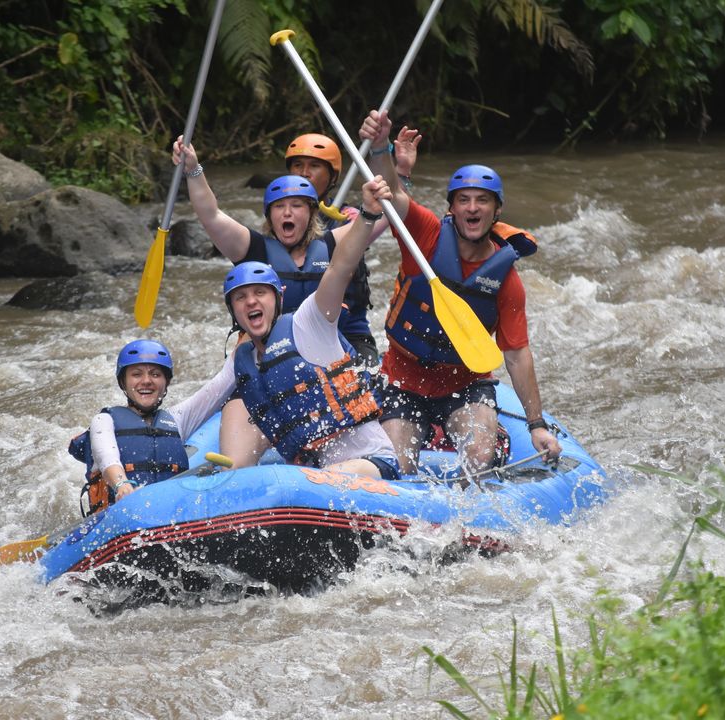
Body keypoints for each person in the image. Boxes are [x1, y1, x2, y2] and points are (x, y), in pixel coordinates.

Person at [358, 108, 562, 476]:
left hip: (464, 386)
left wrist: (537, 425)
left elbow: (516, 355)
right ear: (451, 207)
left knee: (481, 457)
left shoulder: (506, 280)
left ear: (496, 210)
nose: (472, 207)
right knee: (396, 466)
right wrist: (380, 149)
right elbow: (394, 196)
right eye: (463, 199)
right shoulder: (424, 236)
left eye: (482, 200)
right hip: (402, 381)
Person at [218, 177, 400, 478]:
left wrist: (367, 215)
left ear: (278, 298)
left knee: (311, 480)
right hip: (320, 473)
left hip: (370, 464)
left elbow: (340, 267)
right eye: (241, 299)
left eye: (259, 295)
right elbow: (193, 408)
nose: (251, 304)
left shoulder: (310, 321)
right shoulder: (245, 359)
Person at [171, 135, 378, 365]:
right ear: (269, 216)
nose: (287, 213)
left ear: (311, 214)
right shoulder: (253, 248)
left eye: (297, 206)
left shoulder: (333, 243)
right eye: (279, 206)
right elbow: (210, 215)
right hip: (274, 345)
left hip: (341, 340)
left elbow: (384, 215)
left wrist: (382, 168)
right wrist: (193, 169)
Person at [68, 339, 234, 514]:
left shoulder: (177, 420)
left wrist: (245, 330)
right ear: (123, 382)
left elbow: (224, 381)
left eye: (155, 374)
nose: (146, 381)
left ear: (166, 383)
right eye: (136, 374)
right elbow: (107, 458)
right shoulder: (104, 420)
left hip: (172, 516)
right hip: (119, 519)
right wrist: (122, 485)